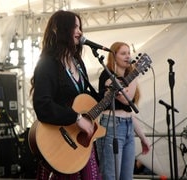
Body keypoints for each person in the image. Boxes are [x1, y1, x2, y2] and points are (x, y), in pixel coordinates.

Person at [30, 10, 102, 179]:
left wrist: (112, 91)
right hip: (58, 143)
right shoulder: (47, 63)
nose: (80, 32)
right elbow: (42, 105)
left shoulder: (78, 63)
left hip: (79, 143)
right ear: (61, 30)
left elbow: (86, 101)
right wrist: (77, 118)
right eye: (75, 27)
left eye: (80, 27)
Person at [95, 42, 150, 180]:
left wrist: (143, 138)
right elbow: (126, 98)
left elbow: (128, 112)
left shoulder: (127, 79)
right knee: (111, 176)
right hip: (111, 127)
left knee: (127, 177)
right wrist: (136, 73)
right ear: (114, 56)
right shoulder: (107, 76)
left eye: (129, 53)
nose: (128, 56)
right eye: (123, 53)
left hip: (127, 128)